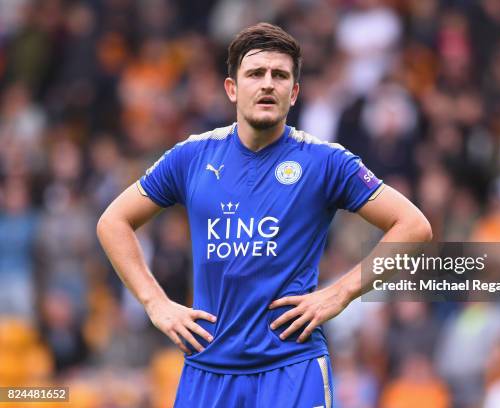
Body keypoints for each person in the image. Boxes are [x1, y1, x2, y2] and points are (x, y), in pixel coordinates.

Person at [97, 22, 432, 408]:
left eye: (280, 75)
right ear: (232, 88)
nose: (268, 84)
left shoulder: (325, 162)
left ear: (295, 92)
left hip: (291, 367)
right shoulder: (191, 157)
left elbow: (414, 226)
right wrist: (156, 304)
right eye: (255, 74)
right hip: (208, 368)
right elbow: (113, 222)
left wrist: (339, 294)